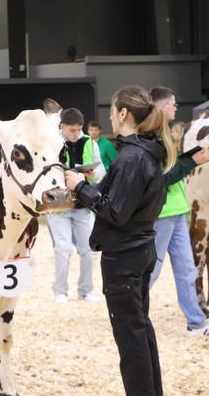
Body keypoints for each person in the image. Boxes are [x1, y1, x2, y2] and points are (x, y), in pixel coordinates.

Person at [66, 85, 176, 396]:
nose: (111, 118)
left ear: (124, 113)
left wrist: (80, 187)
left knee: (131, 342)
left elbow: (115, 211)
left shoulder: (131, 157)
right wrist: (89, 189)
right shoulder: (148, 152)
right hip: (141, 250)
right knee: (141, 330)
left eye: (113, 111)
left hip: (124, 257)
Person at [148, 86, 209, 338]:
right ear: (163, 107)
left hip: (178, 210)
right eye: (173, 104)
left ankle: (196, 323)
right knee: (151, 271)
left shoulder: (166, 135)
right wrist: (192, 162)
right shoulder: (152, 139)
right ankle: (130, 310)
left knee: (186, 269)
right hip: (161, 214)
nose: (176, 108)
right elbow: (159, 178)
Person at [47, 108, 106, 304]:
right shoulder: (50, 141)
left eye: (79, 129)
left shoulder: (90, 142)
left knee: (89, 250)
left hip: (83, 205)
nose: (76, 133)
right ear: (61, 126)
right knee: (63, 249)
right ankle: (60, 291)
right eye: (71, 130)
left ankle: (86, 290)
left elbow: (101, 173)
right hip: (58, 204)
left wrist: (90, 175)